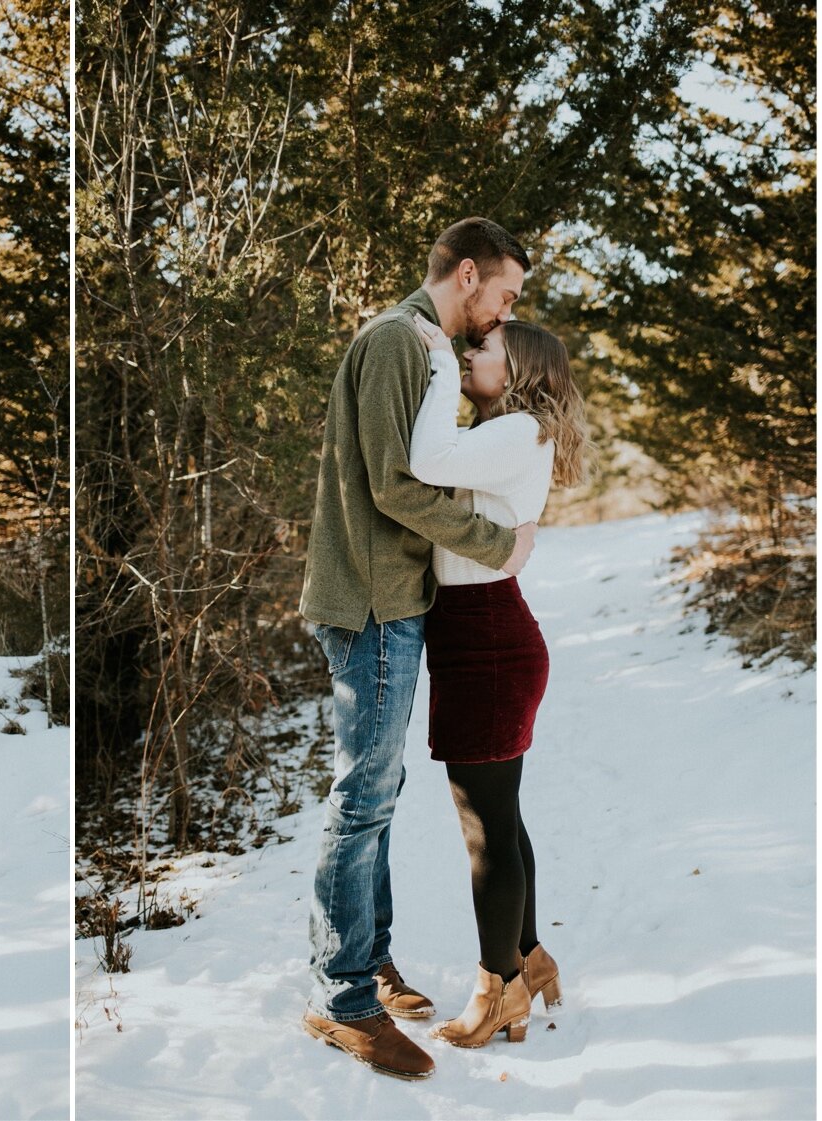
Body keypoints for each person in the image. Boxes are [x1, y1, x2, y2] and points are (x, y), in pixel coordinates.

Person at [298, 218, 538, 1080]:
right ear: (467, 274)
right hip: (371, 603)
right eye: (505, 292)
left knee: (378, 791)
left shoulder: (418, 342)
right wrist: (494, 541)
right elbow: (395, 483)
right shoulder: (405, 341)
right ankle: (340, 995)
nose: (507, 308)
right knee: (362, 795)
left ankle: (368, 958)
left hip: (389, 599)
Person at [407, 313, 586, 1047]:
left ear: (516, 372)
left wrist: (438, 370)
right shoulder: (508, 434)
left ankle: (498, 989)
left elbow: (425, 459)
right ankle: (528, 956)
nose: (465, 350)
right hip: (480, 631)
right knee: (501, 819)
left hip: (485, 635)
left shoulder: (517, 431)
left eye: (481, 348)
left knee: (487, 829)